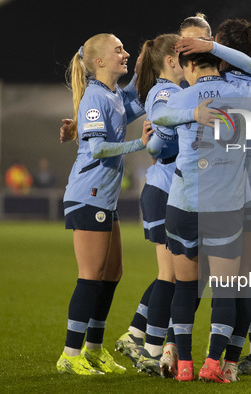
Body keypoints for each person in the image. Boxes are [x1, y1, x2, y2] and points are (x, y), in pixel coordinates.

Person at [152, 45, 251, 383]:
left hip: (182, 205)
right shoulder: (243, 93)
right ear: (220, 63)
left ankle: (185, 366)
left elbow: (158, 120)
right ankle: (213, 364)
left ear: (187, 65)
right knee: (226, 288)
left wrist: (191, 115)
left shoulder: (180, 97)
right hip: (225, 207)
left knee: (185, 288)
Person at [113, 33, 218, 377]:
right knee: (172, 276)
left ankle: (156, 346)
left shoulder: (172, 90)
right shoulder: (167, 91)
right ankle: (150, 345)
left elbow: (159, 141)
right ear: (174, 60)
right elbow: (160, 140)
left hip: (173, 192)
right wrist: (181, 124)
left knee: (178, 276)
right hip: (166, 192)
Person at [56, 33, 153, 375]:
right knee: (90, 276)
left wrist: (149, 60)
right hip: (88, 194)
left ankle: (94, 349)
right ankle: (70, 355)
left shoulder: (112, 94)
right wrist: (137, 145)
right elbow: (97, 149)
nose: (124, 54)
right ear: (99, 62)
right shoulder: (95, 98)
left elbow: (140, 95)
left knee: (111, 273)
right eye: (119, 50)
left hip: (103, 197)